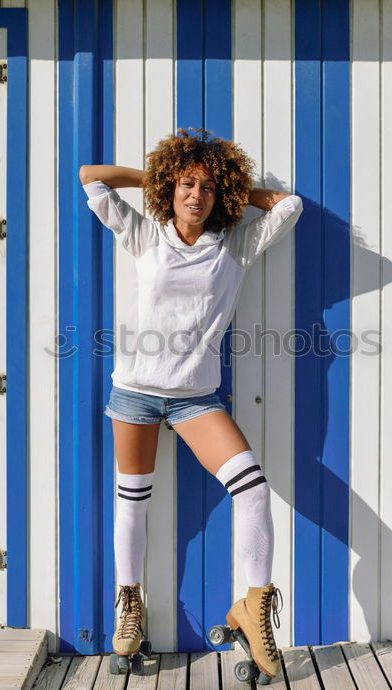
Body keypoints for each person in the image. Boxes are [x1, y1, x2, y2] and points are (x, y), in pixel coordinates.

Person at [79, 128, 303, 682]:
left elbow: (289, 205)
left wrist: (233, 189)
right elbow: (91, 178)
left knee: (252, 489)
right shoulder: (146, 235)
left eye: (207, 187)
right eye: (186, 184)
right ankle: (129, 606)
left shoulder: (236, 245)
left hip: (196, 398)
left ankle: (252, 607)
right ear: (169, 187)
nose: (195, 195)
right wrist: (154, 177)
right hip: (135, 390)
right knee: (133, 501)